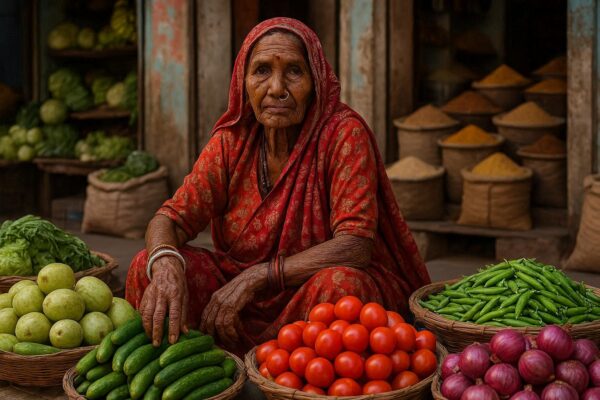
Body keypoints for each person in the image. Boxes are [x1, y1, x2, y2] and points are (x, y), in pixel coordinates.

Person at [125, 17, 430, 352]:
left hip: (307, 294)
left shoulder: (342, 134)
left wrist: (260, 276)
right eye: (261, 71)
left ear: (316, 81)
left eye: (294, 72)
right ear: (243, 81)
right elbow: (170, 218)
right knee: (148, 266)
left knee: (344, 286)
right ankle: (190, 367)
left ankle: (285, 368)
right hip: (235, 295)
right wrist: (166, 262)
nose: (276, 88)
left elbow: (355, 246)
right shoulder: (232, 141)